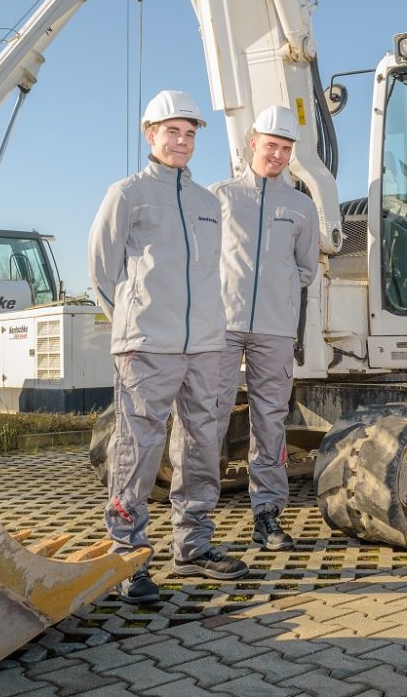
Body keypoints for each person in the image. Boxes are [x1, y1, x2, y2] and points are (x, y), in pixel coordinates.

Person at [88, 89, 248, 604]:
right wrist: (133, 323)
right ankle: (126, 554)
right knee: (138, 449)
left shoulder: (208, 202)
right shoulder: (127, 194)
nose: (181, 141)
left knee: (202, 443)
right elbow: (101, 271)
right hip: (147, 347)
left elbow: (213, 275)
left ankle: (194, 543)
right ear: (150, 134)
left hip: (206, 345)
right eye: (172, 131)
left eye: (189, 133)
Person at [211, 104, 319, 552]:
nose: (277, 154)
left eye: (285, 147)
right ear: (252, 142)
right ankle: (193, 520)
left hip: (274, 330)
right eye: (271, 144)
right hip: (219, 326)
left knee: (270, 422)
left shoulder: (300, 206)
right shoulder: (217, 196)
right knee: (205, 417)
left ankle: (268, 516)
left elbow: (307, 268)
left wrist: (278, 294)